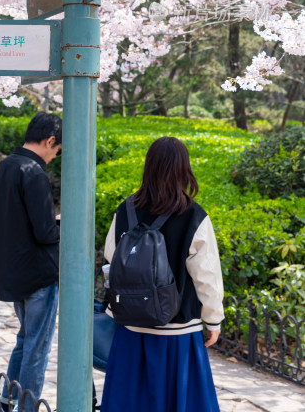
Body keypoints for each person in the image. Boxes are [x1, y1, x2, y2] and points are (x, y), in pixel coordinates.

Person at [101, 136, 224, 412]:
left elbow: (112, 255)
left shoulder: (126, 208)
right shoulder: (194, 215)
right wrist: (213, 320)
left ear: (150, 166)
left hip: (131, 326)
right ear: (184, 168)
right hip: (177, 329)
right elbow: (207, 275)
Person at [0, 112, 62, 412]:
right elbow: (46, 232)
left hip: (13, 272)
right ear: (49, 141)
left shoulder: (6, 165)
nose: (55, 156)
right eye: (57, 150)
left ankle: (7, 402)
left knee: (24, 339)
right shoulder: (34, 172)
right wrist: (64, 222)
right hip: (38, 276)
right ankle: (28, 408)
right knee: (37, 347)